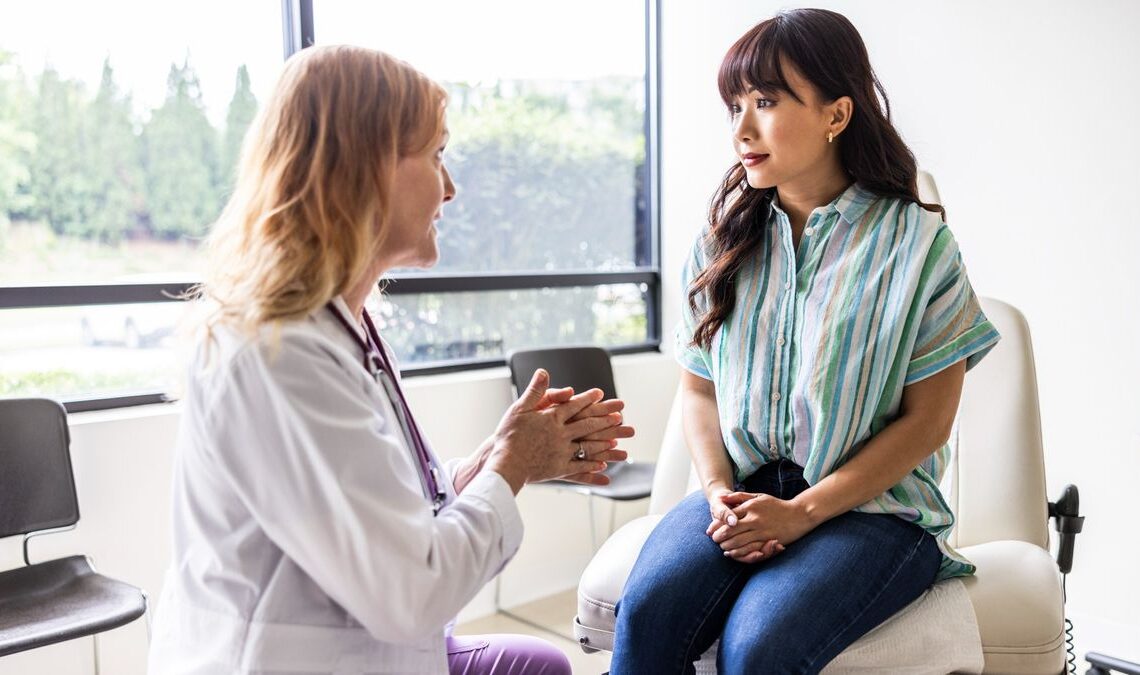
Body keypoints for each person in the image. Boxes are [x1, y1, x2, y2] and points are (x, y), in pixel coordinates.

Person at [146, 45, 634, 675]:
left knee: (542, 664)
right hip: (288, 659)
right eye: (436, 156)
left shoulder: (341, 325)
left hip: (371, 646)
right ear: (364, 168)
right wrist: (511, 467)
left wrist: (480, 468)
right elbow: (411, 593)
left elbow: (380, 503)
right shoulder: (280, 353)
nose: (451, 188)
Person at [610, 9, 1000, 674]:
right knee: (647, 612)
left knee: (760, 645)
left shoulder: (918, 246)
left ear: (836, 114)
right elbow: (698, 390)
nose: (742, 128)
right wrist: (717, 493)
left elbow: (929, 421)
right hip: (742, 488)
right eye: (734, 104)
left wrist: (800, 513)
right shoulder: (719, 244)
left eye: (765, 101)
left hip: (875, 512)